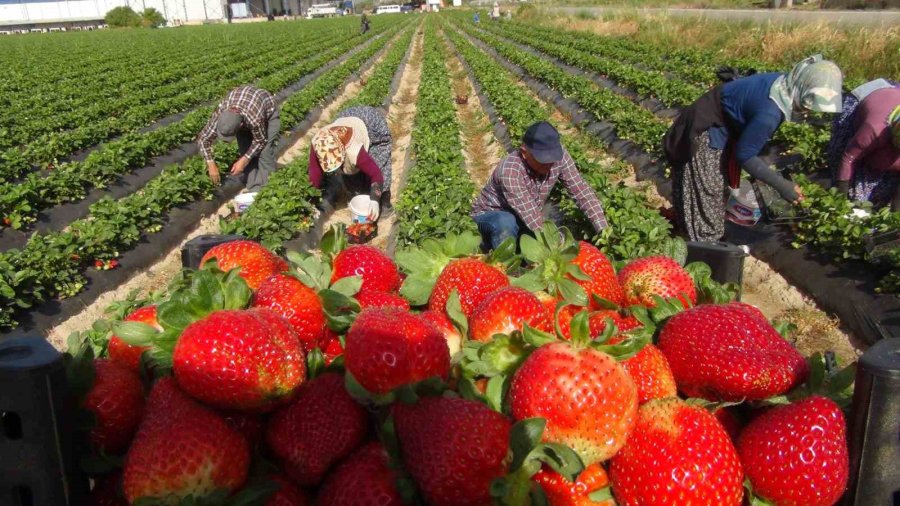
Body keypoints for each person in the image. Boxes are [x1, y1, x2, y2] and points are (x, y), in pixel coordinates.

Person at [663, 54, 843, 241]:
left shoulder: (784, 84)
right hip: (706, 129)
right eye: (809, 105)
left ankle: (696, 232)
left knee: (714, 190)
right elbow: (745, 154)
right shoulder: (769, 114)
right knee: (707, 191)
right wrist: (783, 185)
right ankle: (705, 247)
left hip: (721, 121)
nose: (808, 112)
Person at [471, 121, 608, 251]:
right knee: (506, 222)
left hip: (523, 218)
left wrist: (604, 230)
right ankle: (504, 266)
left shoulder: (559, 157)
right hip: (490, 218)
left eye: (552, 157)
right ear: (524, 152)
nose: (549, 163)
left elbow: (581, 192)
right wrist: (561, 245)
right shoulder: (510, 170)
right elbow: (532, 216)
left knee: (535, 252)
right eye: (542, 158)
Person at [308, 106, 392, 221]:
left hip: (370, 123)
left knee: (379, 162)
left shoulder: (353, 150)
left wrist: (375, 200)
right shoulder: (318, 145)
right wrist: (311, 203)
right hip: (345, 118)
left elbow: (376, 174)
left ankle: (385, 201)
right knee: (354, 184)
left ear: (343, 152)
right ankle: (362, 195)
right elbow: (315, 174)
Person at [827, 79, 899, 208]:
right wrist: (840, 200)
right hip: (865, 98)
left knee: (885, 188)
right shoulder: (874, 129)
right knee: (838, 153)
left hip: (894, 96)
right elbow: (848, 158)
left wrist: (896, 213)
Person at [198, 85, 280, 192]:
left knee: (265, 152)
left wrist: (244, 160)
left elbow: (260, 141)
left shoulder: (254, 118)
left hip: (268, 112)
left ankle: (269, 189)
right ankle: (254, 188)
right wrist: (211, 164)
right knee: (246, 150)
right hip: (246, 105)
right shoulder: (221, 113)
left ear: (241, 125)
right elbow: (203, 138)